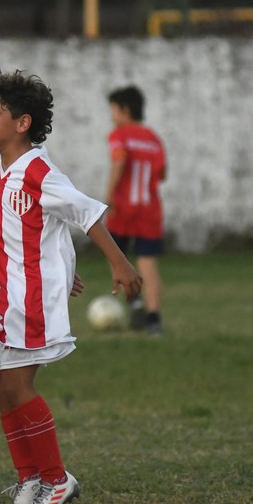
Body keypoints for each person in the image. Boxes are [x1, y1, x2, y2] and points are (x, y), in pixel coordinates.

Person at [0, 68, 142, 504]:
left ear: (22, 123)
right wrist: (64, 270)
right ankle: (30, 478)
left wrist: (120, 262)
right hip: (5, 296)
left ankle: (55, 478)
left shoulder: (37, 170)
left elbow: (83, 213)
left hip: (28, 301)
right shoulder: (6, 170)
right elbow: (45, 227)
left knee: (17, 386)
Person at [105, 85, 167, 335]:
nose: (112, 116)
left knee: (115, 255)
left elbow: (119, 160)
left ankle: (135, 301)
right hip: (149, 209)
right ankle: (153, 320)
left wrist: (109, 195)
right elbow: (162, 173)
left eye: (113, 110)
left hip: (122, 207)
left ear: (125, 110)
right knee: (147, 263)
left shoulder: (119, 135)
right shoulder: (153, 139)